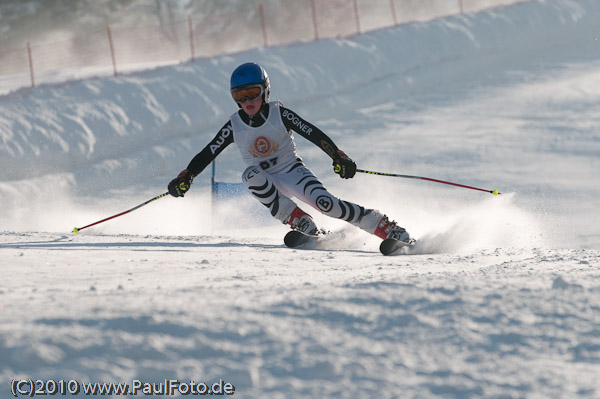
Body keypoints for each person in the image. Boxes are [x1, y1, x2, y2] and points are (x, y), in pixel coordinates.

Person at [168, 62, 411, 243]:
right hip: (266, 178)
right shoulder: (235, 124)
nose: (247, 101)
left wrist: (338, 157)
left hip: (292, 171)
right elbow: (208, 152)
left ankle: (386, 227)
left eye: (252, 93)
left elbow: (312, 133)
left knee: (327, 205)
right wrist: (187, 176)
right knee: (250, 175)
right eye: (240, 96)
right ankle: (300, 222)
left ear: (264, 91)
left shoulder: (279, 114)